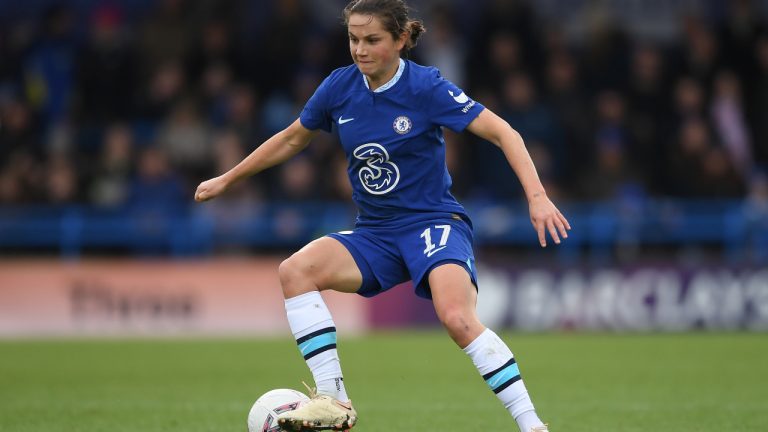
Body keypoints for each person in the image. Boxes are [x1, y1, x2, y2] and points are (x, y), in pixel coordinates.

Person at [194, 1, 570, 431]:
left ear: (401, 40)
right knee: (295, 271)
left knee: (457, 318)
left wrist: (537, 196)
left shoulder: (427, 87)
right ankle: (334, 401)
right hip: (375, 233)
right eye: (353, 39)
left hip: (433, 224)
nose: (360, 49)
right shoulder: (339, 87)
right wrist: (228, 178)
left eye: (372, 40)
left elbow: (505, 132)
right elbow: (292, 139)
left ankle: (532, 425)